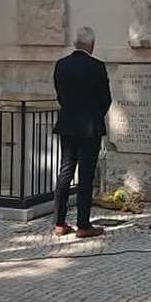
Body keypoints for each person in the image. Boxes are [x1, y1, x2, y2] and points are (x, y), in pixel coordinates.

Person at [51, 26, 112, 239]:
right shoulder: (97, 67)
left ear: (75, 44)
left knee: (65, 171)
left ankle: (59, 223)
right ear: (91, 45)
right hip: (89, 128)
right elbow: (106, 98)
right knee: (86, 175)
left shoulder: (61, 65)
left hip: (67, 124)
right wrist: (95, 115)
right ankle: (83, 225)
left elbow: (60, 95)